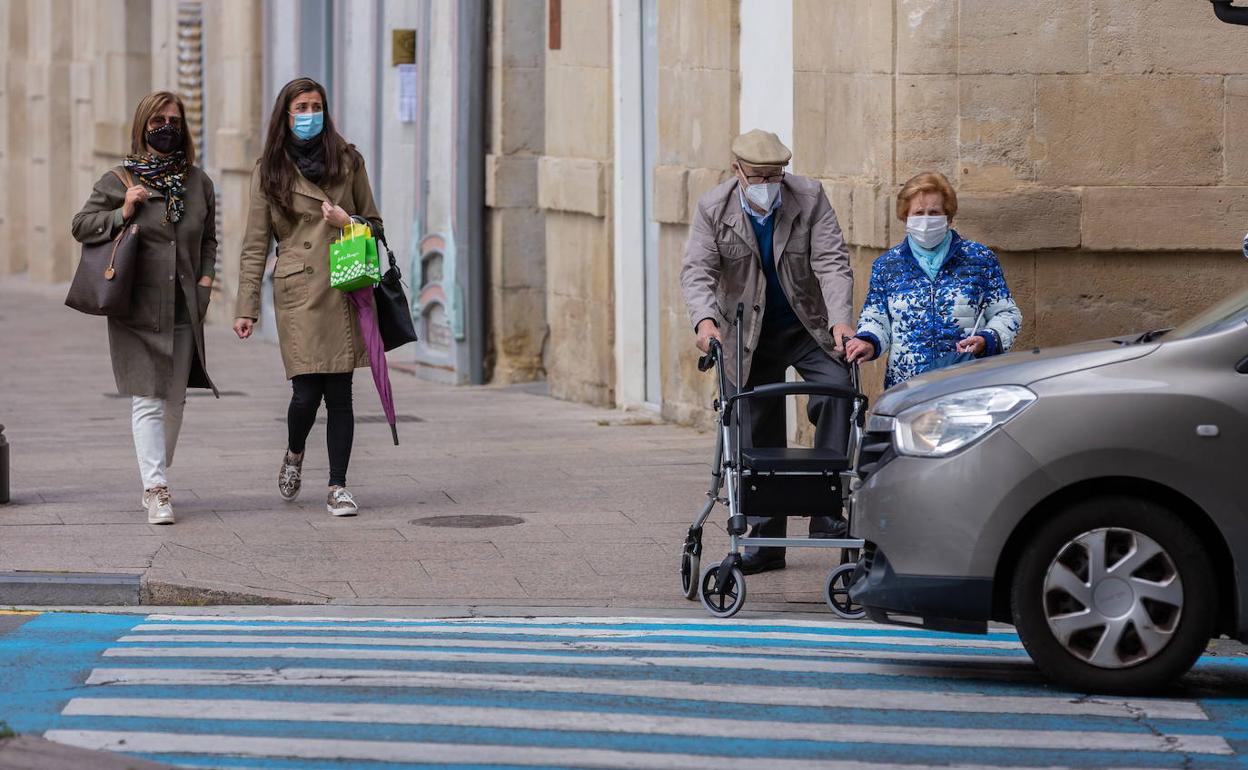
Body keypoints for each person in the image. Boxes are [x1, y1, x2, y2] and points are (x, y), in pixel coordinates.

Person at [680, 129, 855, 575]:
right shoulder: (713, 208)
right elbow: (697, 272)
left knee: (838, 391)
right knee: (756, 423)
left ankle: (827, 512)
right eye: (758, 175)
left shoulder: (810, 197)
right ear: (737, 170)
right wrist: (705, 323)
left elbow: (832, 261)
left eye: (775, 175)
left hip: (806, 325)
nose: (767, 183)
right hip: (745, 333)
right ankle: (764, 538)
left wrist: (840, 321)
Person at [233, 77, 382, 517]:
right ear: (287, 114)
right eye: (301, 107)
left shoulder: (348, 160)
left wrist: (347, 218)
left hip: (343, 283)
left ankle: (338, 486)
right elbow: (255, 243)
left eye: (316, 105)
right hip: (299, 289)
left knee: (341, 393)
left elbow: (374, 222)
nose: (309, 114)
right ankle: (295, 451)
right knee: (305, 394)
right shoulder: (269, 169)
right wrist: (246, 308)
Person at [71, 91, 219, 525]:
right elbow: (80, 225)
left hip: (183, 308)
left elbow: (208, 239)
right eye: (158, 120)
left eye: (174, 120)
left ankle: (155, 470)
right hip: (135, 308)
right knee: (148, 400)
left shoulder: (199, 182)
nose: (167, 127)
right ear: (143, 126)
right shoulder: (119, 180)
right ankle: (155, 489)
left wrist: (207, 284)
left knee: (174, 401)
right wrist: (122, 211)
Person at [846, 171, 1022, 387]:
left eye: (934, 212)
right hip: (908, 387)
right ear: (905, 217)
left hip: (966, 381)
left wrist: (987, 339)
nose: (926, 220)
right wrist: (868, 341)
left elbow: (1006, 313)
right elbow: (876, 318)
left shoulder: (979, 258)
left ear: (948, 217)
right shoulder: (887, 266)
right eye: (919, 213)